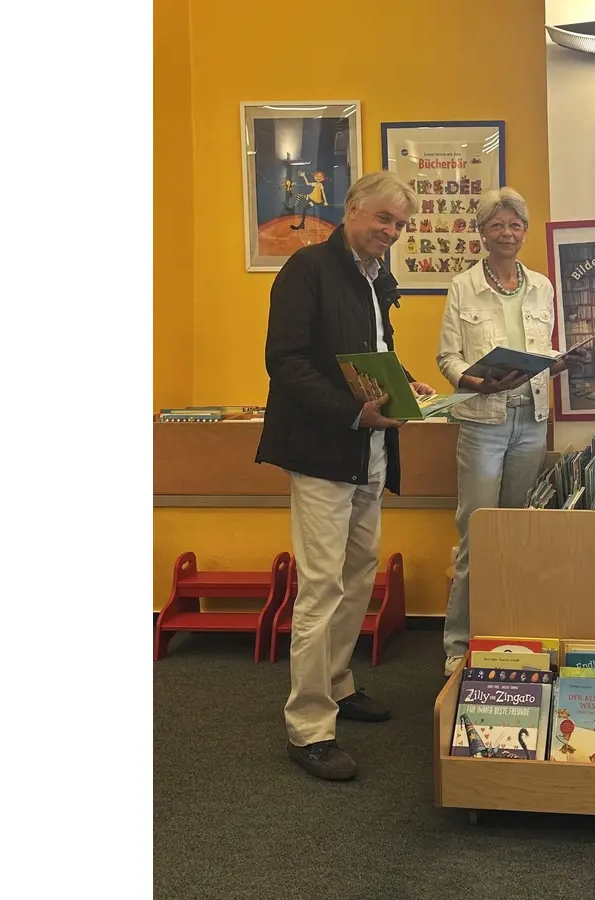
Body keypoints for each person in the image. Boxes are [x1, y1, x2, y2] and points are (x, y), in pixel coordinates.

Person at [255, 170, 435, 781]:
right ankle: (308, 728)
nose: (391, 232)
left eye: (401, 225)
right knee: (321, 588)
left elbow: (372, 350)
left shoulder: (378, 277)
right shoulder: (306, 271)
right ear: (352, 209)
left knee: (359, 577)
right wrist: (351, 412)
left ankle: (336, 682)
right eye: (383, 219)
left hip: (370, 451)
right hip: (323, 451)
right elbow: (285, 363)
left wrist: (404, 380)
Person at [436, 187, 588, 675]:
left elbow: (541, 352)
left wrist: (560, 364)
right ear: (482, 233)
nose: (507, 233)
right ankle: (458, 646)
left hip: (532, 421)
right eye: (497, 225)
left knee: (518, 531)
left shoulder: (541, 286)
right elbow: (447, 358)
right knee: (476, 535)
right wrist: (473, 380)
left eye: (515, 225)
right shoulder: (462, 286)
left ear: (525, 231)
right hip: (484, 421)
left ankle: (509, 633)